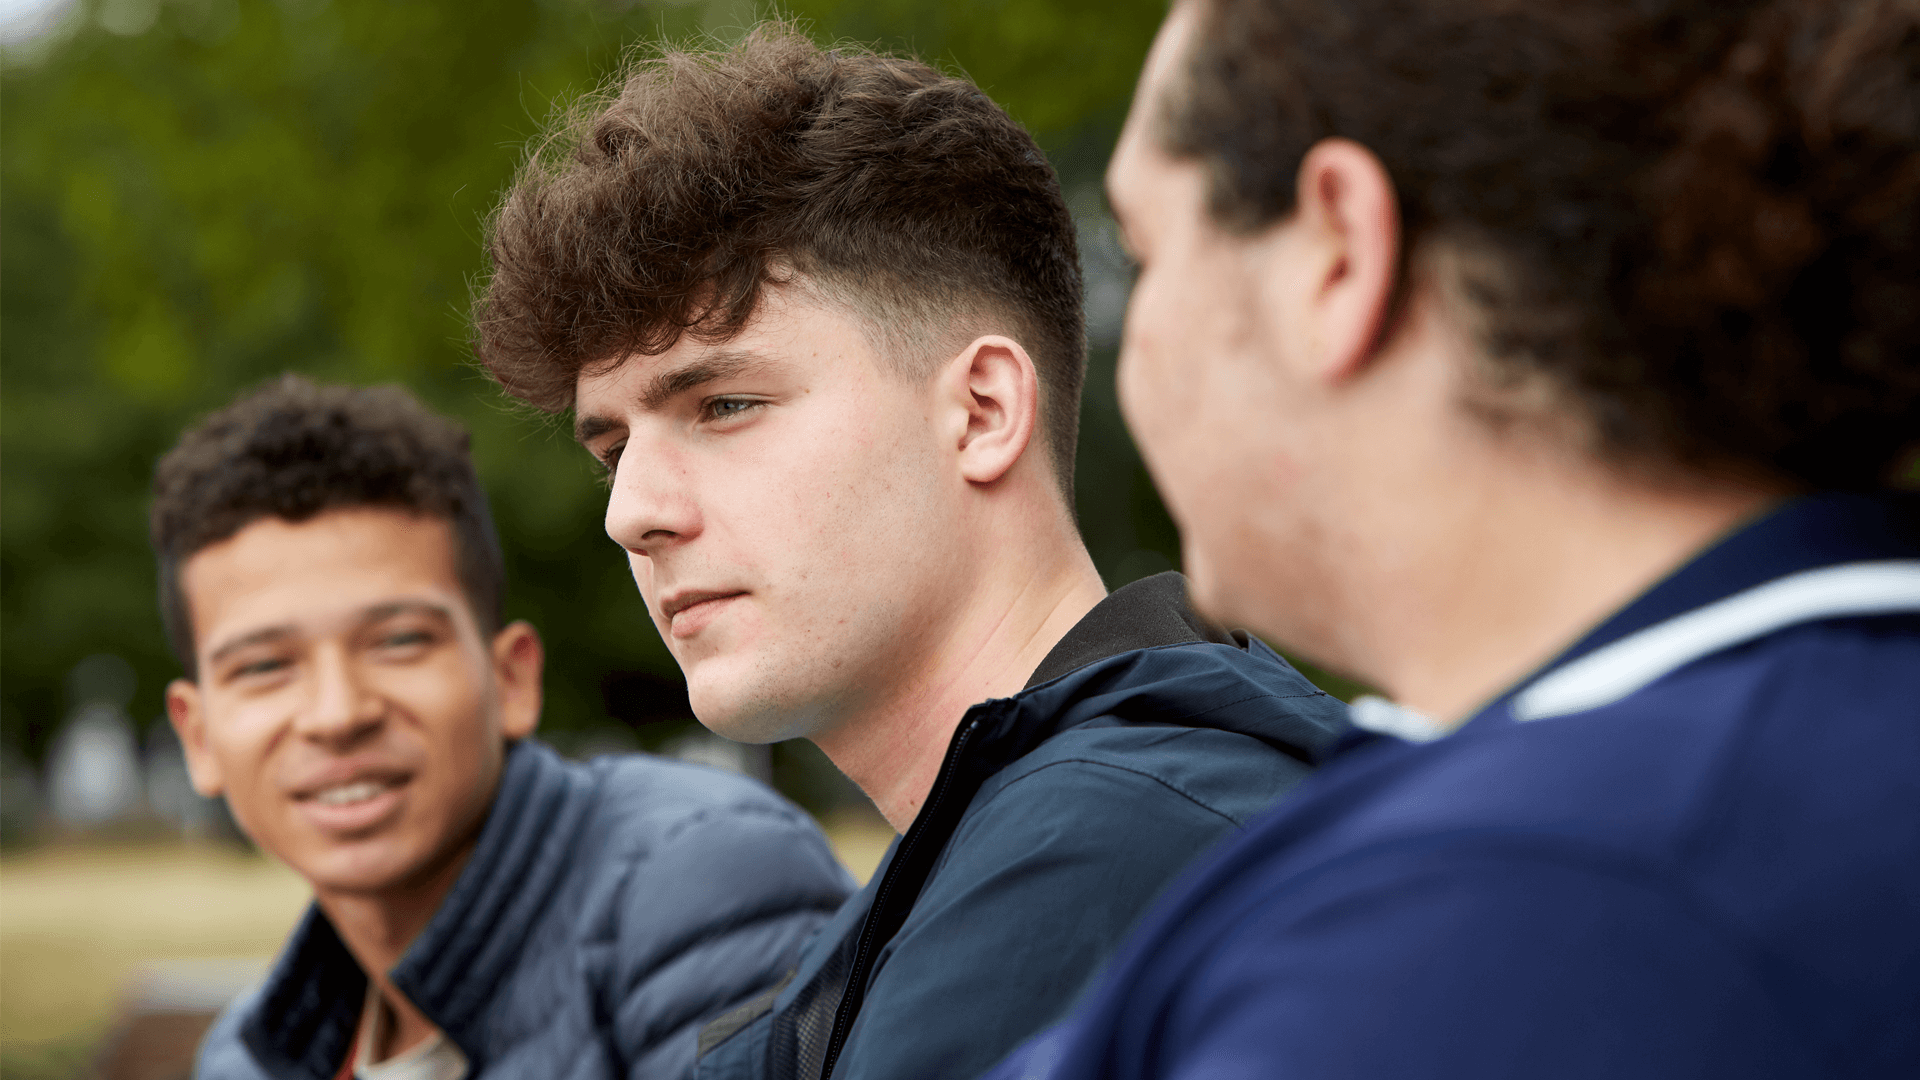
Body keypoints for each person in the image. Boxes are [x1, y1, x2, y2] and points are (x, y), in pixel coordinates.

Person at [982, 0, 1920, 1077]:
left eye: (1145, 251)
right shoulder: (1759, 750)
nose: (1133, 346)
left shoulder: (1523, 912)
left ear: (1335, 253)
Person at [470, 23, 1349, 1080]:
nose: (633, 514)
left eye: (724, 403)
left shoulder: (1105, 848)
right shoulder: (984, 857)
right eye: (612, 449)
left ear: (981, 411)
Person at [158, 375, 853, 1080]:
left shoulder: (701, 884)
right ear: (200, 737)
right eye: (265, 666)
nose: (338, 715)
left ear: (512, 680)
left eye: (398, 642)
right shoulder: (248, 1054)